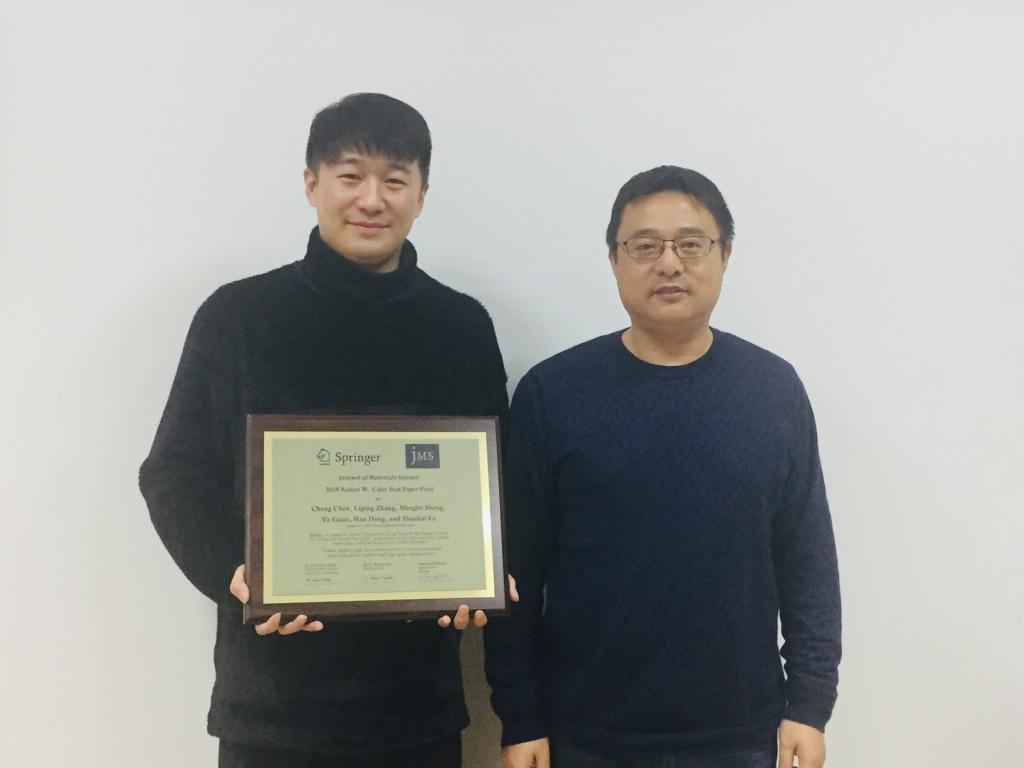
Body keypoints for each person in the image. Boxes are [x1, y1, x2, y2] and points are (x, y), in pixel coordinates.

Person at [140, 92, 509, 768]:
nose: (371, 199)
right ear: (311, 184)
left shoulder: (460, 327)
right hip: (273, 708)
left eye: (394, 179)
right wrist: (235, 575)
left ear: (421, 195)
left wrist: (483, 569)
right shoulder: (238, 317)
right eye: (350, 175)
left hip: (415, 704)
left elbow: (496, 479)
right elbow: (173, 472)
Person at [485, 166, 841, 768]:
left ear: (725, 254)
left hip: (741, 736)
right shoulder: (553, 394)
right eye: (644, 246)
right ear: (614, 260)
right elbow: (517, 570)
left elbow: (807, 559)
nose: (669, 263)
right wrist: (520, 717)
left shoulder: (774, 390)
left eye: (691, 244)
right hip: (584, 735)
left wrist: (809, 702)